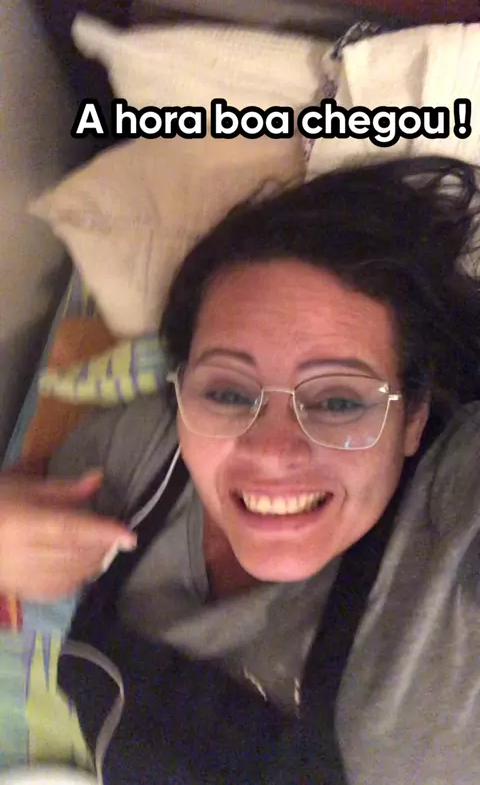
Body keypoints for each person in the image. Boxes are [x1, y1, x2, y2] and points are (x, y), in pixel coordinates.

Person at [1, 156, 480, 784]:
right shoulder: (140, 453)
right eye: (227, 392)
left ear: (413, 417)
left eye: (339, 400)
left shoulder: (453, 517)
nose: (271, 452)